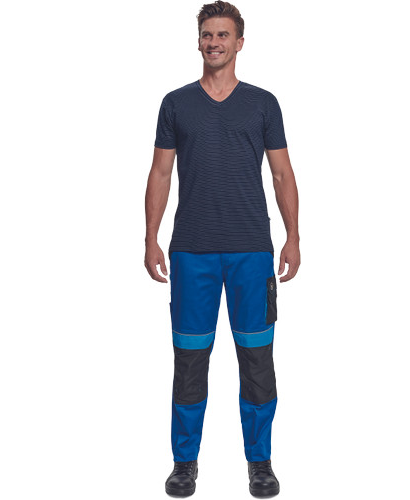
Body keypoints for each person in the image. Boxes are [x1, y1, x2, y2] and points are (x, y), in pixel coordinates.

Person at [144, 1, 300, 496]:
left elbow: (281, 174)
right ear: (198, 41)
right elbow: (160, 173)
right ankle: (184, 463)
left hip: (251, 252)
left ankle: (261, 462)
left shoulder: (263, 103)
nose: (214, 42)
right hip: (191, 252)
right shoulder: (175, 103)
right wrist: (150, 237)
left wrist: (293, 236)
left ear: (239, 43)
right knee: (190, 360)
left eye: (223, 35)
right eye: (207, 34)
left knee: (257, 360)